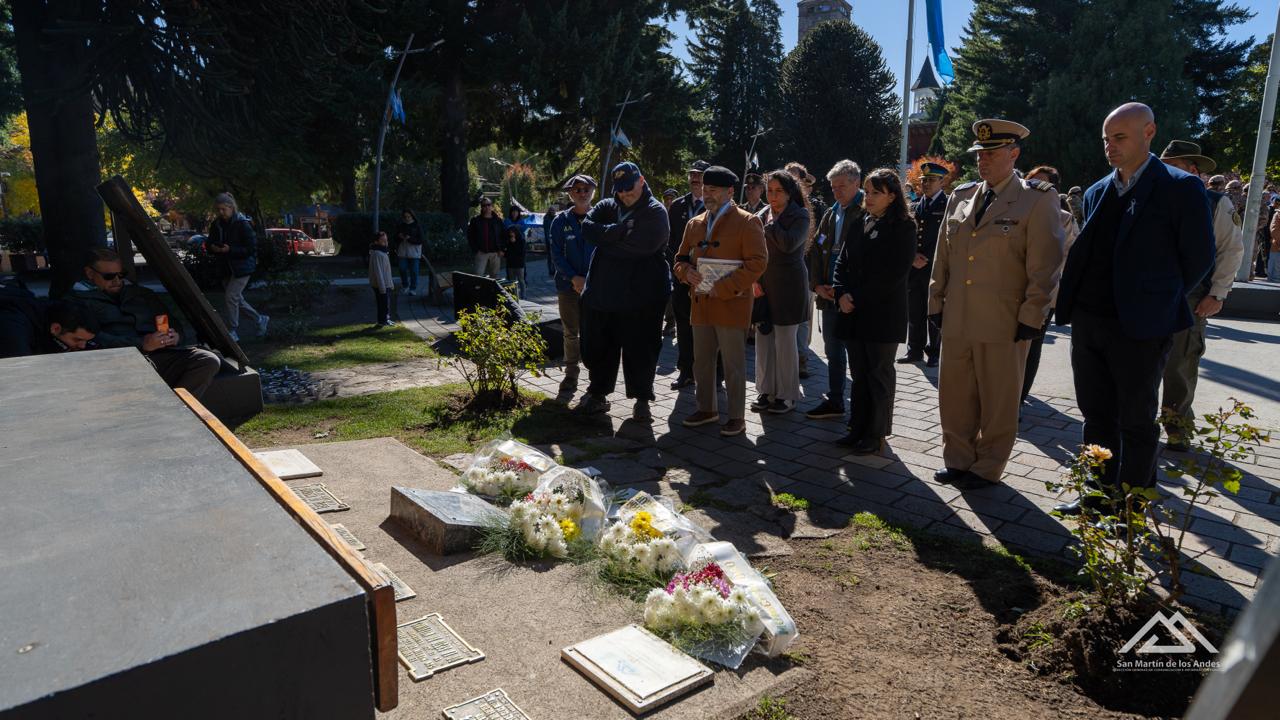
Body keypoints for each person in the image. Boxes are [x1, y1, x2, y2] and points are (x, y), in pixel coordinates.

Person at [1053, 103, 1214, 514]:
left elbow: (1198, 258)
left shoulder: (1180, 188)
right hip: (1091, 322)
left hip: (1142, 327)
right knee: (1095, 413)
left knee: (1137, 419)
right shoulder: (1095, 191)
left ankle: (1132, 503)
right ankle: (1096, 494)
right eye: (1106, 139)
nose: (1110, 146)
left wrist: (1157, 298)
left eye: (1119, 137)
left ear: (1149, 133)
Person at [928, 118, 1065, 490]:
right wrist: (935, 301)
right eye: (979, 154)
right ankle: (957, 459)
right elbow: (944, 256)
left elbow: (1046, 265)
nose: (982, 161)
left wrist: (1033, 314)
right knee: (954, 393)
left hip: (1004, 319)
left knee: (998, 398)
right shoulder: (960, 197)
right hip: (958, 314)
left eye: (991, 153)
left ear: (1014, 153)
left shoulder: (1036, 199)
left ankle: (987, 467)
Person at [1157, 141, 1245, 450]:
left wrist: (1218, 293)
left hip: (1192, 296)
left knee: (1179, 366)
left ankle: (1177, 431)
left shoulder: (1214, 203)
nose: (1166, 173)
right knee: (1140, 363)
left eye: (1175, 167)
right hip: (1151, 293)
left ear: (1194, 170)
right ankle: (1137, 425)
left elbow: (1230, 251)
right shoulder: (1154, 198)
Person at [672, 166, 768, 436]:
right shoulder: (695, 222)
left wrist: (723, 288)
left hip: (731, 302)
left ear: (729, 191)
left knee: (733, 363)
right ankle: (707, 408)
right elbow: (679, 259)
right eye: (705, 189)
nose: (707, 194)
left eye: (713, 190)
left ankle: (736, 416)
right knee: (700, 360)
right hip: (701, 302)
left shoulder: (748, 221)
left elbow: (758, 263)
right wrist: (685, 272)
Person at [577, 162, 672, 422]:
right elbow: (587, 227)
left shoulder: (655, 212)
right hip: (604, 293)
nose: (625, 195)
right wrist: (617, 232)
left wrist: (604, 240)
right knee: (601, 346)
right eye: (620, 190)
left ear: (641, 180)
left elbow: (639, 247)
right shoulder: (609, 205)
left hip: (642, 297)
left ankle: (642, 400)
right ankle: (598, 393)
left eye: (629, 189)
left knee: (641, 349)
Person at [833, 168, 916, 453]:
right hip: (852, 311)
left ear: (892, 196)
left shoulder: (904, 226)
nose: (868, 197)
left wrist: (853, 296)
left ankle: (877, 433)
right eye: (866, 192)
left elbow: (892, 275)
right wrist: (841, 293)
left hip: (881, 315)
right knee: (859, 373)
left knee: (878, 374)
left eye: (875, 193)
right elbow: (841, 262)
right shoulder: (858, 221)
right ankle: (857, 426)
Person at [73, 249, 223, 399]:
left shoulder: (142, 294)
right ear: (90, 273)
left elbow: (171, 322)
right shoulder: (77, 301)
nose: (117, 280)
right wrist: (141, 344)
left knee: (207, 360)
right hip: (119, 362)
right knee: (142, 370)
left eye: (121, 274)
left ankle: (178, 408)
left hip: (160, 355)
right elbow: (90, 339)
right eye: (109, 276)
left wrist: (175, 336)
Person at [803, 159, 863, 421]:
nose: (836, 192)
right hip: (828, 295)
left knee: (858, 355)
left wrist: (845, 291)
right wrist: (816, 284)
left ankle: (862, 410)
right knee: (832, 350)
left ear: (856, 183)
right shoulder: (831, 212)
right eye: (833, 187)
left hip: (853, 297)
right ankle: (836, 399)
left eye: (841, 187)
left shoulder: (866, 209)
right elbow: (817, 249)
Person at [752, 170, 810, 415]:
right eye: (769, 191)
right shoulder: (760, 214)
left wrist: (771, 225)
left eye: (778, 191)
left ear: (789, 193)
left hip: (789, 286)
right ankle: (765, 391)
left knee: (785, 343)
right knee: (763, 340)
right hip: (763, 286)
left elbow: (788, 244)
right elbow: (751, 249)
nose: (772, 196)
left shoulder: (801, 215)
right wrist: (753, 279)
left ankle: (787, 396)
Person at [1019, 164, 1079, 406]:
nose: (1035, 187)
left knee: (1031, 345)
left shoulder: (1063, 218)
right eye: (1031, 182)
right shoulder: (1014, 211)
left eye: (1042, 183)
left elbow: (1064, 257)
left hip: (1043, 294)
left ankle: (1018, 399)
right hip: (1008, 291)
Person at [549, 174, 598, 393]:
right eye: (577, 190)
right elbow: (556, 255)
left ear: (593, 191)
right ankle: (571, 375)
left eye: (586, 189)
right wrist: (574, 278)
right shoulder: (560, 221)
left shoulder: (601, 217)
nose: (582, 193)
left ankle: (597, 379)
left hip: (596, 287)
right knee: (570, 332)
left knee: (595, 333)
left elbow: (607, 252)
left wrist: (589, 279)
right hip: (567, 287)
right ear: (570, 193)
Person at [665, 160, 710, 389]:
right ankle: (686, 371)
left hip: (706, 278)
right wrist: (680, 269)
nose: (695, 179)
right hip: (683, 276)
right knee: (683, 325)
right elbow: (671, 242)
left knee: (709, 327)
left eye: (700, 175)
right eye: (692, 175)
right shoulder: (678, 206)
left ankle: (714, 375)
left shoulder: (715, 206)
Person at [900, 162, 948, 367]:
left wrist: (926, 256)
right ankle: (915, 349)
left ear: (941, 182)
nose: (926, 184)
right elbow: (907, 236)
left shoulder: (947, 205)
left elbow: (946, 237)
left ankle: (935, 351)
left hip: (935, 266)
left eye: (931, 180)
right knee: (915, 310)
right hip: (915, 267)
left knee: (934, 310)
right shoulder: (915, 205)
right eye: (923, 180)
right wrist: (912, 256)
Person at [206, 192, 267, 342]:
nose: (221, 213)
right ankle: (260, 319)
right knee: (237, 300)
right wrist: (212, 247)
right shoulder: (217, 224)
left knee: (231, 296)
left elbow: (251, 248)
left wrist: (230, 249)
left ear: (231, 208)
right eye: (218, 209)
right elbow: (209, 242)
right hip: (226, 266)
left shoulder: (242, 224)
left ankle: (232, 330)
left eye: (223, 209)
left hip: (242, 267)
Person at [0, 296, 98, 358]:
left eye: (87, 341)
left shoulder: (54, 315)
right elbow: (20, 369)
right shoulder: (13, 329)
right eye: (77, 340)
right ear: (55, 328)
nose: (82, 346)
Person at [467, 197, 504, 276]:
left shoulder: (498, 221)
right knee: (478, 275)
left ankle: (491, 289)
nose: (486, 207)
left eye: (488, 205)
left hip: (495, 253)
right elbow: (470, 236)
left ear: (492, 206)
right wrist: (475, 249)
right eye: (484, 205)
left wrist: (502, 249)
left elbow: (503, 235)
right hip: (481, 252)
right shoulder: (475, 220)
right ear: (481, 207)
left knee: (494, 276)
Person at [395, 209, 424, 297]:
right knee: (402, 268)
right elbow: (395, 238)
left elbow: (421, 240)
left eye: (409, 216)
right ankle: (405, 285)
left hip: (414, 252)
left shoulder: (417, 226)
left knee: (414, 271)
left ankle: (413, 288)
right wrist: (399, 237)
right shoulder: (401, 226)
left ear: (412, 216)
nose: (407, 218)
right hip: (402, 251)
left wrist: (409, 238)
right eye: (405, 217)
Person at [368, 231, 394, 326]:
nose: (385, 242)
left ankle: (385, 319)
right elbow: (378, 272)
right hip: (380, 284)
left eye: (386, 240)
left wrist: (390, 283)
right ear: (376, 242)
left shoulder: (383, 251)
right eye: (383, 241)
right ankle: (382, 321)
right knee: (382, 303)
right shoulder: (377, 254)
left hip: (385, 283)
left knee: (386, 302)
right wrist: (382, 287)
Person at [503, 213, 528, 299]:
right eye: (510, 232)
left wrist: (514, 243)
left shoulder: (521, 241)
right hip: (510, 264)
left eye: (513, 232)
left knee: (521, 280)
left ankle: (523, 295)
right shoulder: (507, 241)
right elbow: (506, 253)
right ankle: (513, 296)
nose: (511, 234)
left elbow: (522, 252)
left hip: (519, 263)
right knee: (511, 281)